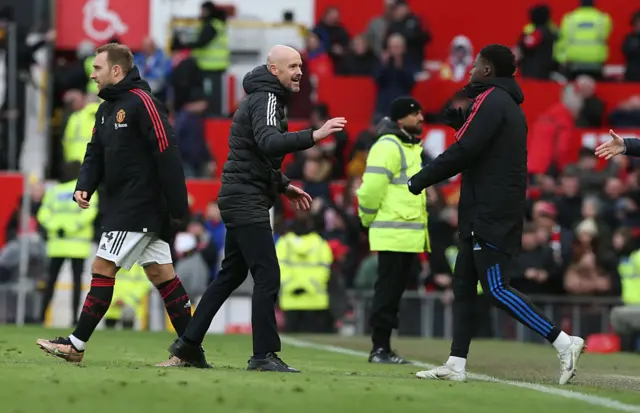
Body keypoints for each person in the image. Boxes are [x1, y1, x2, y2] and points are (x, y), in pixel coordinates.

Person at [158, 45, 346, 372]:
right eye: (292, 66)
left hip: (238, 193)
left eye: (300, 65)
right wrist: (314, 135)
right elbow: (270, 143)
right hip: (246, 198)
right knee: (267, 274)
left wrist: (284, 185)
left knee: (230, 275)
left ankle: (186, 345)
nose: (299, 71)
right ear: (274, 70)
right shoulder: (267, 99)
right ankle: (263, 355)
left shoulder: (260, 97)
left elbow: (256, 156)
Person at [406, 44, 585, 384]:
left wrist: (421, 178)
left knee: (495, 288)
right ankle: (456, 363)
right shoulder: (503, 105)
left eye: (476, 65)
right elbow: (486, 147)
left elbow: (466, 150)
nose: (470, 70)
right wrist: (463, 122)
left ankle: (564, 341)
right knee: (463, 286)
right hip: (486, 207)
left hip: (490, 209)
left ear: (487, 70)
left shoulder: (491, 100)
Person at [35, 43, 206, 367]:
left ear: (116, 70)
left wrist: (178, 207)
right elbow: (95, 151)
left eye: (97, 68)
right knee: (162, 274)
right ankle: (192, 353)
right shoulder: (106, 109)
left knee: (102, 268)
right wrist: (85, 185)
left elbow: (167, 152)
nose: (91, 74)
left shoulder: (144, 103)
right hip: (123, 205)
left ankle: (76, 343)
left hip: (138, 205)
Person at [356, 97, 430, 364]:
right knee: (387, 292)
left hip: (407, 234)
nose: (421, 117)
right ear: (401, 119)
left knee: (392, 293)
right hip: (393, 232)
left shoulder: (407, 146)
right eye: (415, 114)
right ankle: (379, 348)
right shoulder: (388, 146)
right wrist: (366, 219)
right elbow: (369, 190)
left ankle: (383, 347)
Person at [37, 161, 97, 325]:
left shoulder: (55, 191)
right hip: (76, 245)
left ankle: (41, 316)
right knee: (75, 284)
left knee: (51, 281)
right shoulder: (85, 190)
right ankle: (73, 319)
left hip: (58, 244)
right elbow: (89, 212)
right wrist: (70, 227)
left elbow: (43, 213)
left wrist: (57, 228)